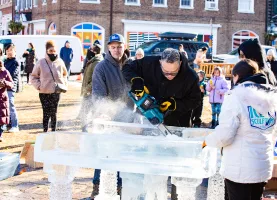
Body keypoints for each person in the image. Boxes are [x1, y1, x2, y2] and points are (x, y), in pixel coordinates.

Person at [122, 48, 201, 199]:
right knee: (151, 164)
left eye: (174, 73)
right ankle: (150, 194)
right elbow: (127, 67)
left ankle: (176, 196)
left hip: (176, 125)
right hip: (148, 124)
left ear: (180, 64)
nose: (170, 76)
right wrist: (136, 80)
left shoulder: (190, 76)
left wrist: (174, 104)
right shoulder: (149, 63)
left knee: (177, 168)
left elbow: (196, 100)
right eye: (166, 72)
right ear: (160, 63)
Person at [203, 59, 277, 200]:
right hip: (263, 165)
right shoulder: (272, 99)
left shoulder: (236, 98)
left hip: (239, 168)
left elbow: (225, 135)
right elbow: (275, 132)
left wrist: (207, 141)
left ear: (237, 76)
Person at [91, 33, 130, 199]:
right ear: (108, 48)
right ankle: (97, 185)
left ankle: (121, 186)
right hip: (108, 118)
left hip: (129, 119)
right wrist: (105, 112)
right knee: (105, 152)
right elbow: (98, 95)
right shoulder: (101, 67)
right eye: (113, 47)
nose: (116, 50)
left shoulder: (132, 65)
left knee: (124, 153)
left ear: (124, 47)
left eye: (119, 46)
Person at [31, 40, 68, 132]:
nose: (53, 52)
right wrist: (39, 86)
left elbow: (65, 74)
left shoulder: (60, 62)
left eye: (54, 51)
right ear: (47, 51)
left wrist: (64, 84)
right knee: (46, 113)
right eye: (51, 51)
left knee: (54, 112)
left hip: (56, 91)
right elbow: (33, 77)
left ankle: (53, 131)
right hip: (44, 92)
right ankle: (45, 131)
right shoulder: (41, 62)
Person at [80, 43, 103, 132]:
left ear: (95, 51)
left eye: (91, 49)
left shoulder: (97, 62)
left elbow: (96, 79)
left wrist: (87, 89)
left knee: (88, 112)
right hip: (88, 91)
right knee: (86, 112)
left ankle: (88, 131)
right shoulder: (93, 60)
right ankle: (87, 130)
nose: (89, 51)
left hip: (91, 92)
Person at [4, 44, 20, 133]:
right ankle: (7, 124)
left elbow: (11, 74)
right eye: (7, 51)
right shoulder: (5, 61)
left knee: (11, 106)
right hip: (3, 87)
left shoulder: (15, 62)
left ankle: (15, 125)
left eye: (11, 50)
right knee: (5, 106)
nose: (9, 52)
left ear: (14, 51)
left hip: (10, 87)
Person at [0, 61, 14, 142]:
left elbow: (11, 84)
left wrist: (4, 82)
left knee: (1, 119)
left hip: (2, 98)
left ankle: (0, 135)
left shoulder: (4, 71)